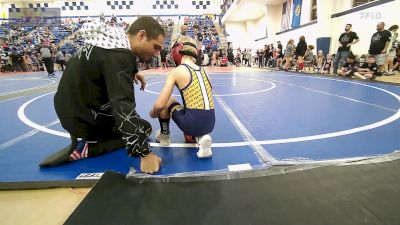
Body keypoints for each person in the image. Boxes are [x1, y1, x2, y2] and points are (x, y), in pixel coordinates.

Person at [40, 16, 165, 174]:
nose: (156, 53)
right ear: (141, 35)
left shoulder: (110, 41)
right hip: (83, 120)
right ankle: (90, 148)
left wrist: (132, 72)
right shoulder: (119, 56)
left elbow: (102, 66)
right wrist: (145, 154)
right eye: (156, 47)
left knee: (140, 127)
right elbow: (123, 107)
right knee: (144, 129)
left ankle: (92, 138)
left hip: (72, 109)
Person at [149, 36, 215, 158]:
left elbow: (160, 105)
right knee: (191, 107)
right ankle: (200, 138)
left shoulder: (178, 71)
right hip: (210, 123)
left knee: (168, 101)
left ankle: (164, 137)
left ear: (176, 51)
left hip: (192, 123)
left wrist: (152, 113)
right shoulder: (204, 71)